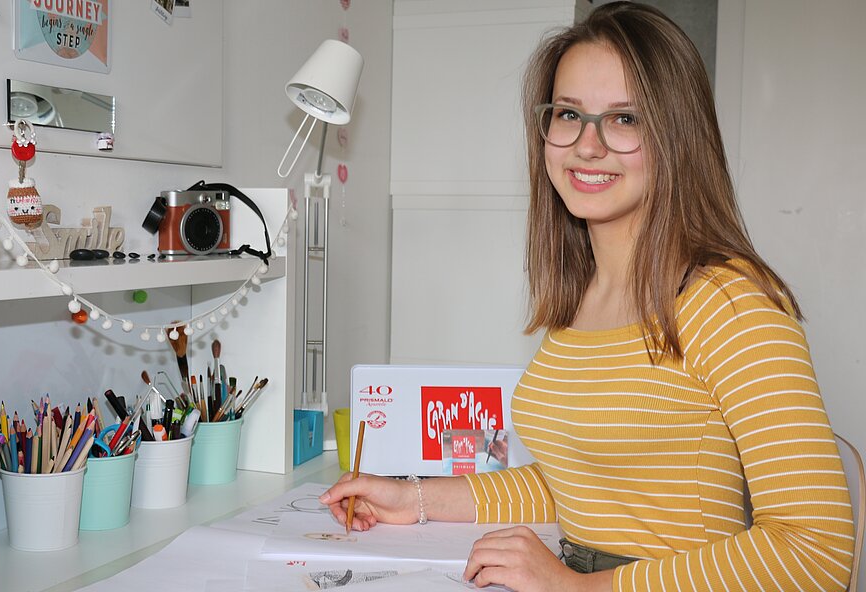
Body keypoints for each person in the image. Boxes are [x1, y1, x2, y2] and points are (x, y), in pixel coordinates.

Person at [319, 3, 855, 591]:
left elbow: (816, 551)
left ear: (678, 136)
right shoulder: (581, 297)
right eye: (569, 113)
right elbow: (578, 482)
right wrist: (412, 498)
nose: (587, 145)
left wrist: (577, 588)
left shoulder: (732, 303)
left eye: (625, 119)